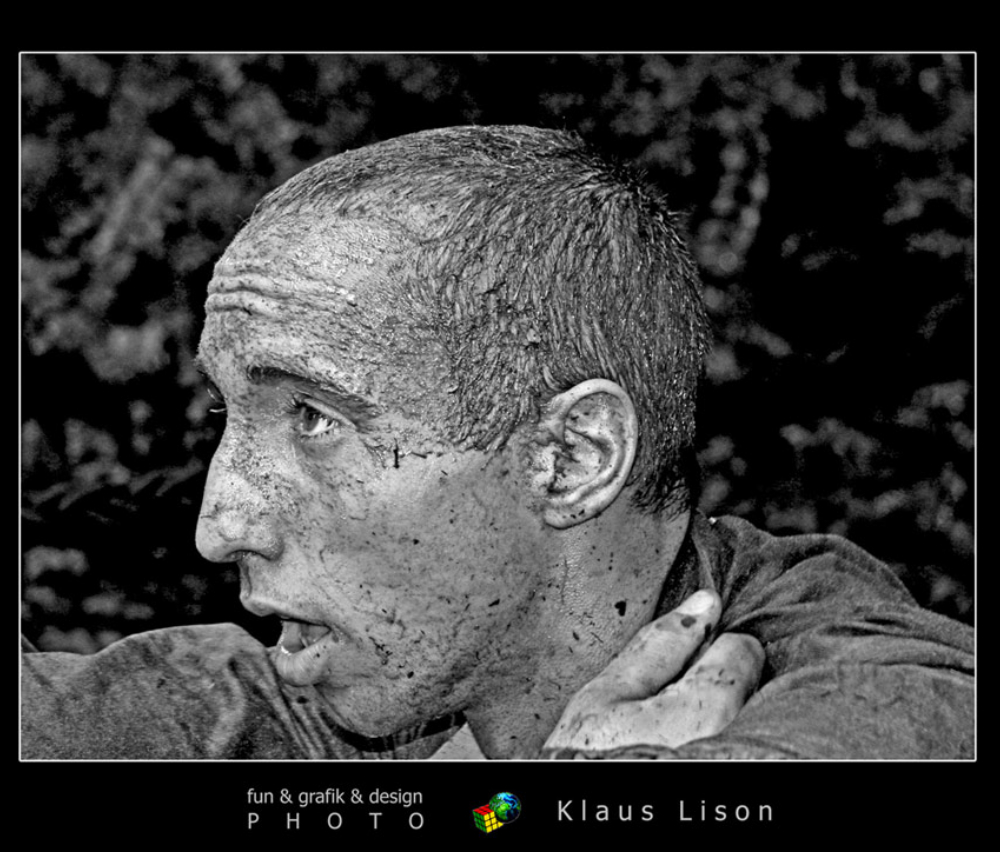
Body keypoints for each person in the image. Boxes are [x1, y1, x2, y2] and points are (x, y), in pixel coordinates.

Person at [21, 125, 974, 760]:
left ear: (572, 458)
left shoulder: (881, 707)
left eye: (314, 418)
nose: (220, 526)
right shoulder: (362, 686)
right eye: (227, 414)